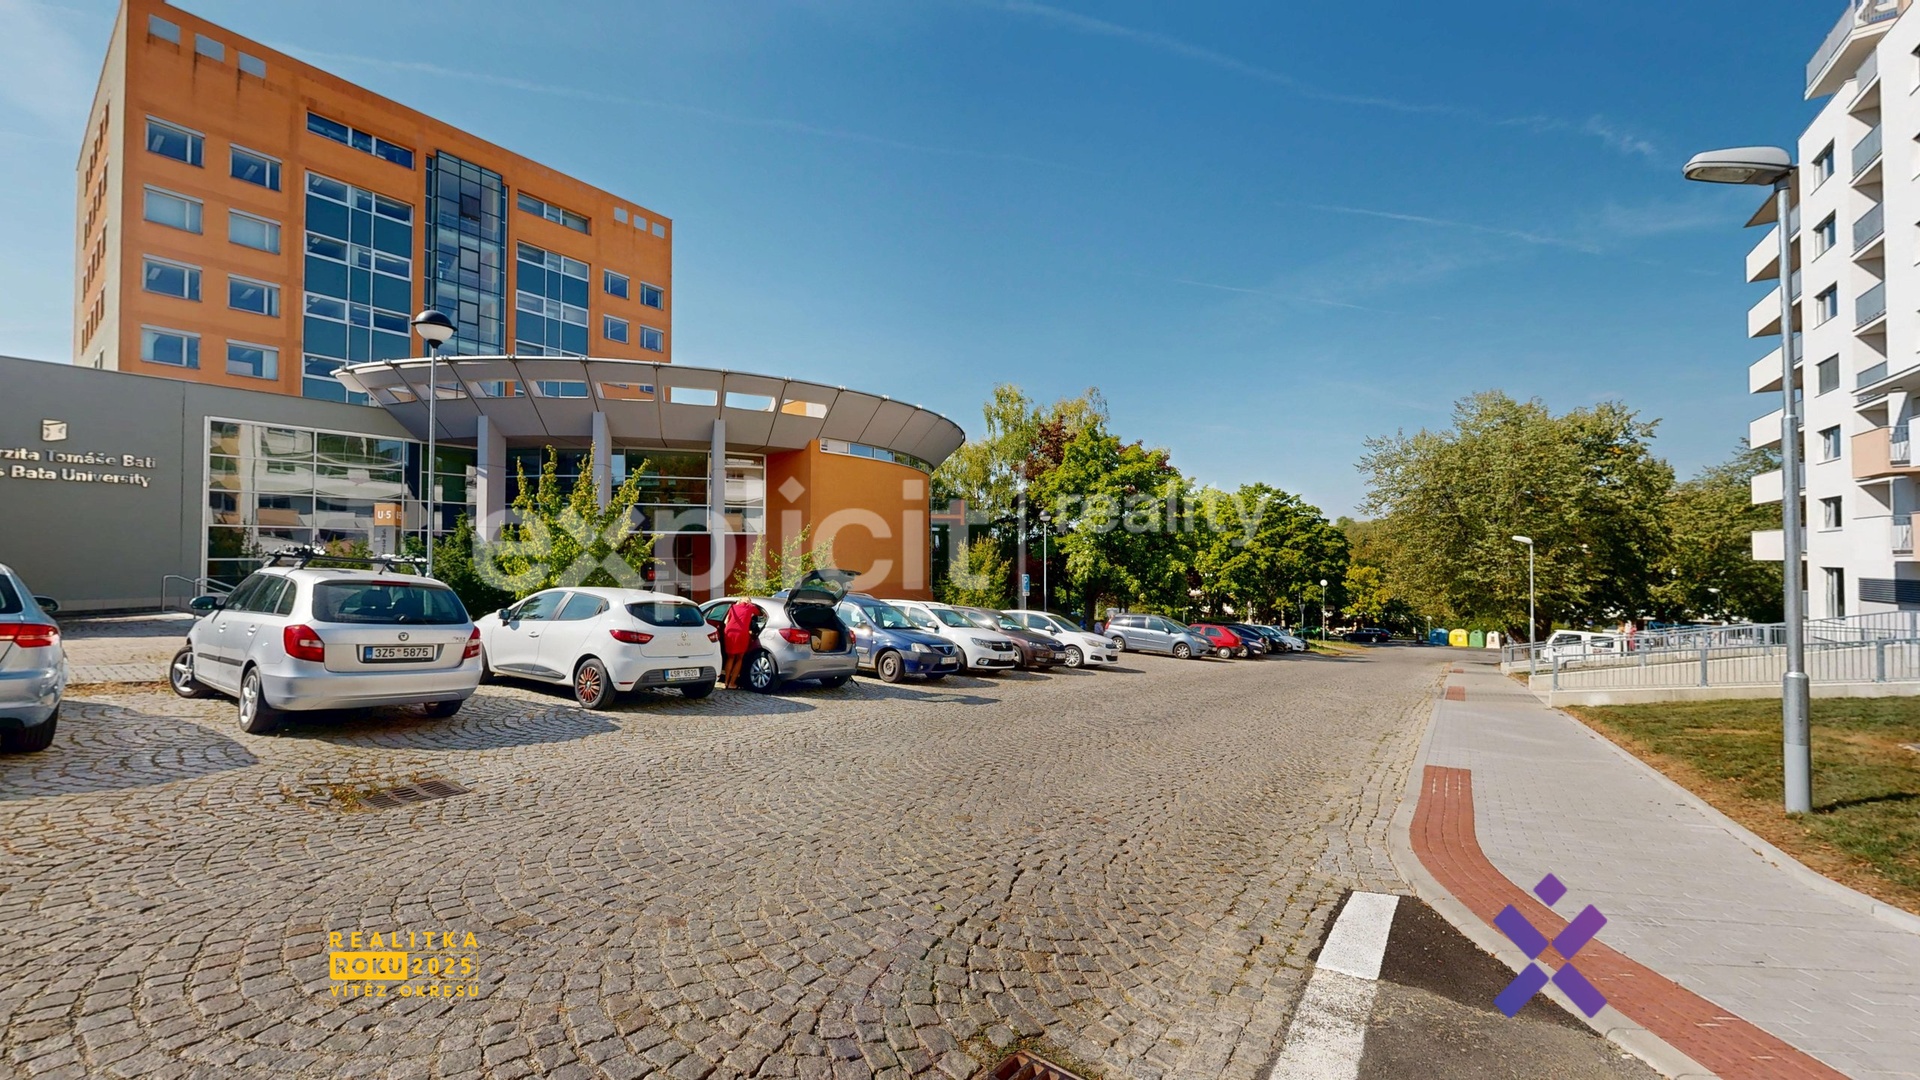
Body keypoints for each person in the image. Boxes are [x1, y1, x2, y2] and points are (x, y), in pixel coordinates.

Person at [721, 599, 760, 688]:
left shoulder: (733, 607)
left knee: (730, 657)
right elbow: (760, 613)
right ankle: (732, 683)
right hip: (741, 633)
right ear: (748, 602)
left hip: (729, 632)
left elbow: (727, 621)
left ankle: (726, 682)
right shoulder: (750, 607)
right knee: (739, 658)